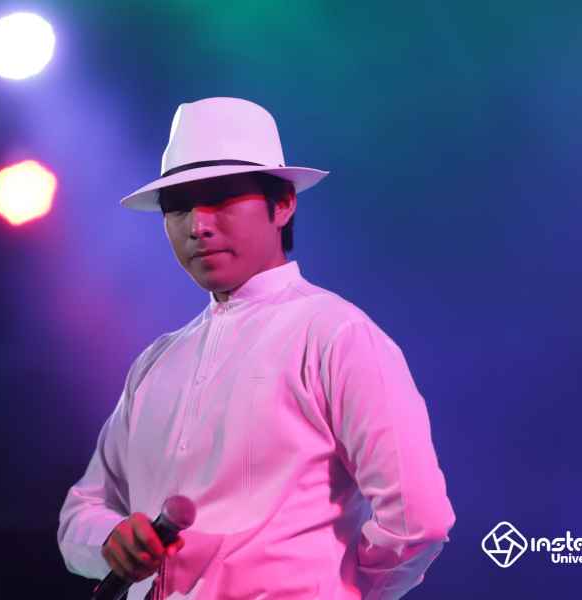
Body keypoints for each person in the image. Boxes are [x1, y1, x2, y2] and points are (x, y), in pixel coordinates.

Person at [58, 97, 455, 599]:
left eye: (221, 198)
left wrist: (343, 590)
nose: (197, 225)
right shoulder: (156, 363)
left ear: (283, 203)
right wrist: (110, 539)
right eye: (177, 206)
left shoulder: (335, 335)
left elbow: (418, 520)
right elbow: (81, 512)